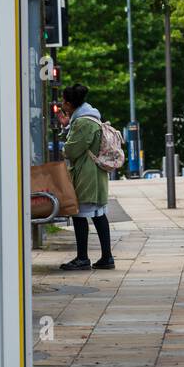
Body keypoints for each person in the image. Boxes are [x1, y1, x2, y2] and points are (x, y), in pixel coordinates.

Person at [60, 83, 114, 271]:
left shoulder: (83, 122)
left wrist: (64, 147)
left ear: (69, 104)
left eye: (63, 102)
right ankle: (107, 257)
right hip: (94, 172)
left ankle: (83, 258)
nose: (62, 105)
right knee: (99, 214)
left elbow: (72, 150)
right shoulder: (90, 117)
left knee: (79, 214)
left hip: (86, 173)